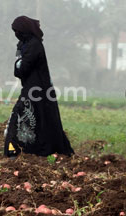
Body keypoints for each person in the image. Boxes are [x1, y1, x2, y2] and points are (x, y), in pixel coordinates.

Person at [4, 16, 74, 158]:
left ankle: (15, 151)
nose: (16, 34)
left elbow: (22, 68)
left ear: (24, 30)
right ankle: (25, 151)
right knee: (37, 120)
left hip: (37, 90)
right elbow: (19, 70)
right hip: (33, 88)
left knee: (24, 118)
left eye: (17, 31)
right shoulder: (26, 45)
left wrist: (18, 62)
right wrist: (19, 62)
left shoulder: (34, 45)